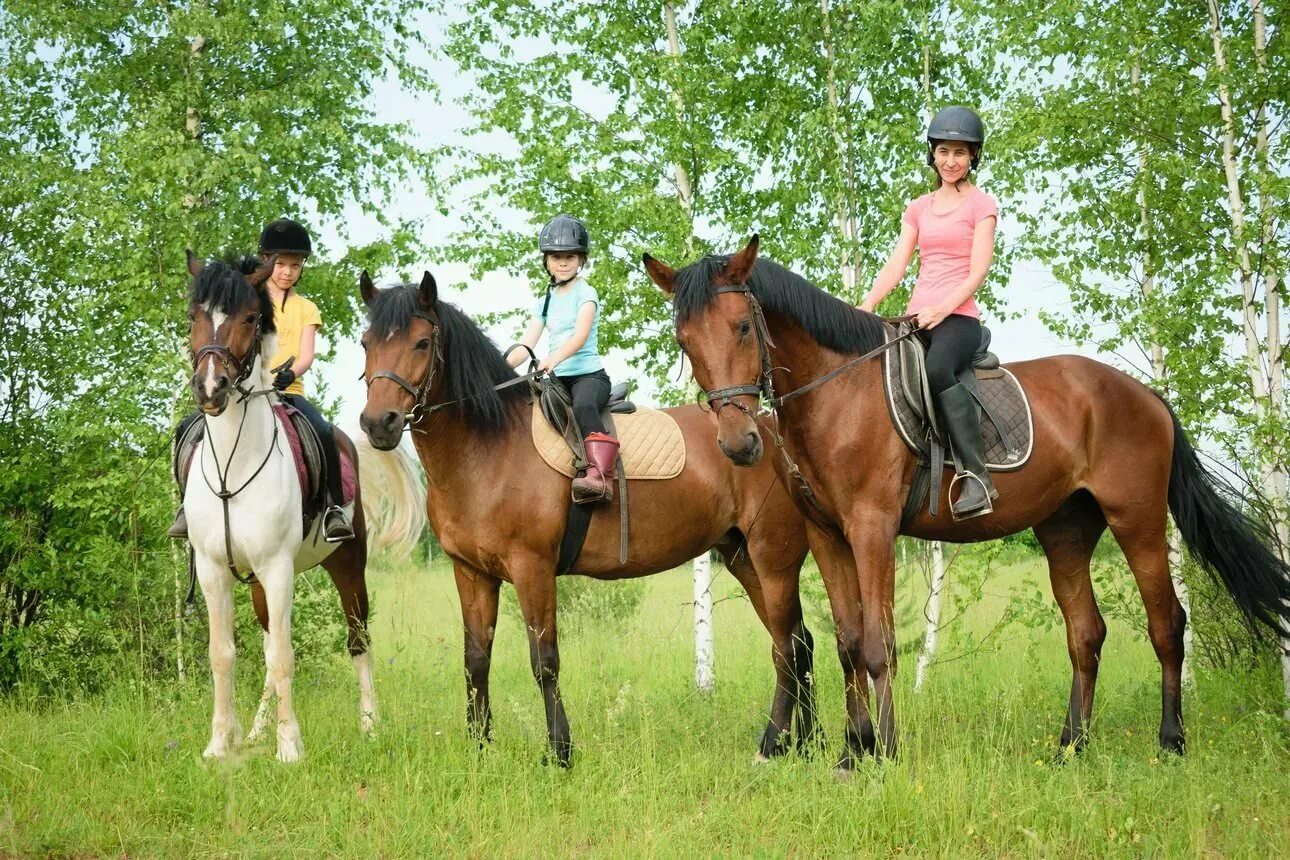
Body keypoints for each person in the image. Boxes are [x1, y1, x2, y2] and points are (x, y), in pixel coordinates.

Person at [168, 218, 354, 541]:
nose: (287, 272)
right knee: (186, 429)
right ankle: (188, 506)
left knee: (323, 431)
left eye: (295, 266)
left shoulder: (307, 308)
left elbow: (307, 354)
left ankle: (333, 507)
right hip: (246, 390)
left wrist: (290, 373)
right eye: (280, 264)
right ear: (266, 263)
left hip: (287, 391)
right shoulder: (244, 300)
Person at [859, 106, 999, 519]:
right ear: (932, 154)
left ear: (973, 156)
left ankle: (977, 477)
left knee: (937, 368)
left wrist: (944, 307)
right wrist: (867, 304)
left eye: (960, 152)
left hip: (960, 318)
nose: (951, 161)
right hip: (918, 317)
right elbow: (897, 266)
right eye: (943, 151)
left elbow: (978, 271)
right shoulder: (918, 207)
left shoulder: (982, 205)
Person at [507, 214, 618, 504]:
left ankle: (600, 475)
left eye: (570, 256)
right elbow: (526, 344)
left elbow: (579, 337)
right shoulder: (545, 299)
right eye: (556, 257)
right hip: (556, 377)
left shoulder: (586, 292)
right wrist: (498, 368)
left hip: (588, 376)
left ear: (581, 260)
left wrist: (552, 359)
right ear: (546, 261)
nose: (563, 262)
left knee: (583, 406)